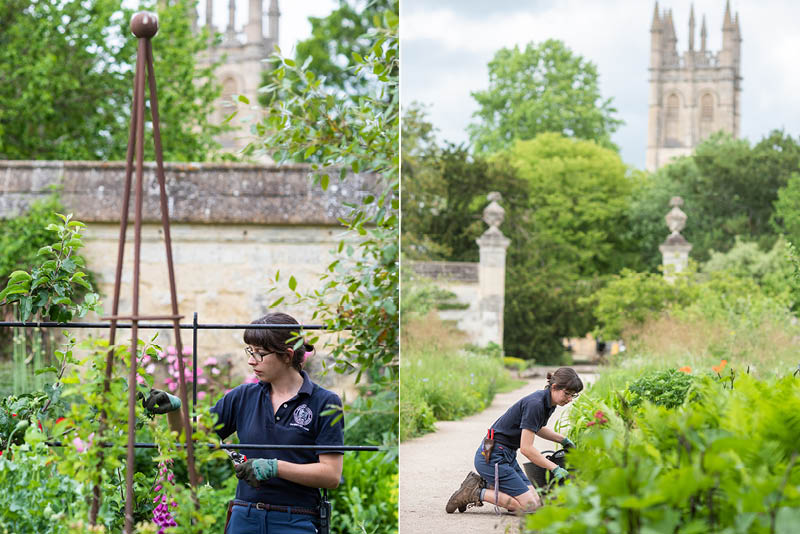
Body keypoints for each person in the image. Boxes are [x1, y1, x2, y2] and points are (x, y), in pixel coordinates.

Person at [211, 312, 344, 534]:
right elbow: (191, 437)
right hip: (245, 517)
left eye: (261, 354)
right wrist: (175, 409)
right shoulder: (243, 396)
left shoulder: (324, 402)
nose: (252, 360)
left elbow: (331, 476)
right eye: (250, 352)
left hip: (295, 521)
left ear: (287, 355)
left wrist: (274, 467)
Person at [445, 367, 583, 514]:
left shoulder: (548, 403)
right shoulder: (536, 404)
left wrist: (563, 440)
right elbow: (527, 449)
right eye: (567, 394)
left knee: (537, 501)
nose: (569, 399)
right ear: (554, 387)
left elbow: (535, 427)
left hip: (506, 456)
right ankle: (475, 492)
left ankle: (487, 483)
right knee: (530, 507)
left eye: (573, 395)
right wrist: (554, 468)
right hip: (492, 457)